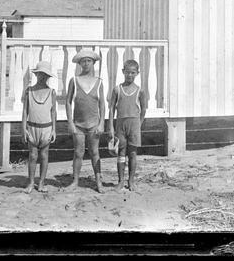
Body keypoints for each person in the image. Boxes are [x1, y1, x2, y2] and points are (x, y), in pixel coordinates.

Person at [65, 49, 107, 192]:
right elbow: (68, 102)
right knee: (78, 153)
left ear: (93, 63)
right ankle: (75, 181)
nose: (86, 63)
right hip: (78, 125)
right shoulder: (74, 80)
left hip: (94, 124)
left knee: (95, 152)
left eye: (89, 61)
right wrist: (70, 122)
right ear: (79, 63)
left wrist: (101, 123)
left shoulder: (99, 82)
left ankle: (99, 182)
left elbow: (102, 104)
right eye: (83, 61)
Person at [108, 59, 148, 191]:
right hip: (121, 124)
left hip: (134, 124)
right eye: (127, 72)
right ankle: (120, 181)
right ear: (123, 72)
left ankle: (131, 181)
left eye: (132, 73)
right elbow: (111, 109)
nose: (129, 75)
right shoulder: (117, 89)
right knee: (121, 152)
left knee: (132, 153)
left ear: (137, 73)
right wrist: (111, 127)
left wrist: (139, 124)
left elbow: (143, 110)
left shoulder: (140, 91)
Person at [21, 61, 59, 193]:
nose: (42, 77)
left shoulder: (51, 92)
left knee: (44, 155)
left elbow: (53, 112)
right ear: (36, 75)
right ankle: (31, 182)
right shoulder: (29, 91)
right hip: (32, 127)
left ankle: (41, 182)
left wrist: (54, 130)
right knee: (32, 156)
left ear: (48, 77)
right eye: (40, 74)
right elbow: (25, 111)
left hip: (46, 128)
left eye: (45, 75)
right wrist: (23, 128)